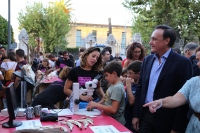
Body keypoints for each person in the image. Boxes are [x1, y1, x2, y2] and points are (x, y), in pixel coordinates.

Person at [132, 25, 192, 133]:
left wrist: (177, 128)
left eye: (154, 39)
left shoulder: (182, 63)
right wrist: (136, 115)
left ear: (167, 41)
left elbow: (185, 96)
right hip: (145, 115)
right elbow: (140, 88)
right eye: (151, 39)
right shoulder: (147, 60)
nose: (150, 42)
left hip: (167, 120)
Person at [143, 47, 200, 133]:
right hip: (194, 126)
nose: (198, 64)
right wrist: (160, 102)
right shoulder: (194, 82)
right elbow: (176, 99)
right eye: (197, 60)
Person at [87, 61, 126, 125]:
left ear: (114, 73)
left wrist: (97, 105)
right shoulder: (113, 85)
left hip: (116, 122)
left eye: (107, 75)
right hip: (110, 119)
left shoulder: (117, 88)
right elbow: (106, 98)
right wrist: (94, 104)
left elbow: (113, 109)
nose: (105, 78)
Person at [124, 61, 142, 132]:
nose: (128, 75)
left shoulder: (140, 87)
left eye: (130, 73)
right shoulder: (133, 84)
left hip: (134, 117)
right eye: (127, 73)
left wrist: (128, 85)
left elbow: (132, 102)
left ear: (138, 74)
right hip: (127, 116)